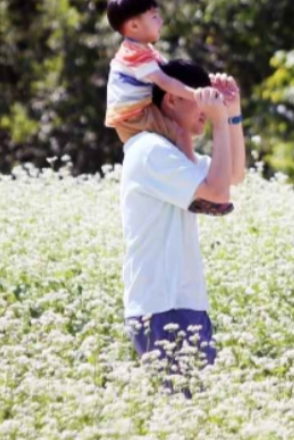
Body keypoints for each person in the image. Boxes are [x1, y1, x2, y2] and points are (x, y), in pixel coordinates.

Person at [121, 58, 246, 388]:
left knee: (196, 420)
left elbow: (233, 175)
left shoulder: (174, 156)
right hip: (164, 307)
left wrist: (232, 114)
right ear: (172, 99)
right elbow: (218, 194)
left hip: (183, 303)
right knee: (187, 417)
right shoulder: (151, 151)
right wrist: (219, 124)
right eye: (199, 96)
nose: (207, 106)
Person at [103, 0, 198, 141]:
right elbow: (166, 82)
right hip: (135, 117)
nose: (161, 21)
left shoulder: (143, 49)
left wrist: (203, 84)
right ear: (134, 25)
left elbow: (171, 72)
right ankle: (193, 162)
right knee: (180, 134)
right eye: (154, 17)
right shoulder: (135, 55)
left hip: (138, 113)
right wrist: (196, 95)